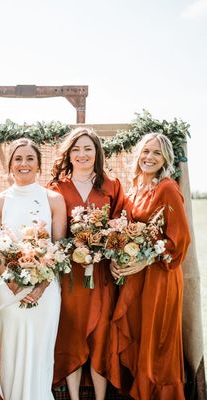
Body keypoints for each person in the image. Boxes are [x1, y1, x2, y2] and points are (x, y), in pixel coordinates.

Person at [109, 132, 191, 399]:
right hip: (135, 277)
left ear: (165, 158)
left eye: (156, 153)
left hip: (160, 276)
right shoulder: (133, 188)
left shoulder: (166, 187)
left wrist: (146, 259)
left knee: (157, 339)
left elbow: (180, 240)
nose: (149, 157)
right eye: (146, 151)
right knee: (139, 335)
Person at [0, 138, 67, 400]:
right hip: (7, 289)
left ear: (38, 165)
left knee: (40, 350)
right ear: (10, 164)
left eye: (30, 158)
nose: (24, 164)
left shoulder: (53, 199)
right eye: (18, 158)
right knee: (10, 350)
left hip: (45, 290)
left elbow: (58, 248)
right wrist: (14, 284)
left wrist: (40, 287)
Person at [48, 127, 125, 400]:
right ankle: (73, 396)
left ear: (97, 153)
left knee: (102, 335)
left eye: (88, 149)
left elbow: (120, 227)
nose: (82, 154)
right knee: (70, 333)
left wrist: (106, 252)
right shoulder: (56, 188)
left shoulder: (112, 185)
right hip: (70, 275)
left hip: (102, 274)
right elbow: (52, 234)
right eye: (76, 149)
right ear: (68, 154)